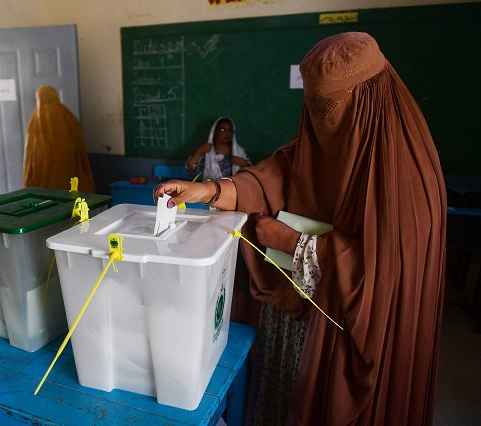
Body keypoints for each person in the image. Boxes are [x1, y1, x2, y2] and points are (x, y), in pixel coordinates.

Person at [155, 32, 446, 425]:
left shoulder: (408, 176)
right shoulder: (321, 140)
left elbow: (389, 279)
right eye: (312, 106)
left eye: (330, 107)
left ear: (367, 100)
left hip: (348, 337)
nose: (321, 120)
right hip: (298, 320)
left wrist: (294, 243)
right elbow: (275, 175)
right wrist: (208, 189)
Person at [23, 85, 96, 192]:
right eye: (42, 102)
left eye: (49, 101)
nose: (46, 107)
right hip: (49, 174)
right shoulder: (68, 119)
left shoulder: (35, 123)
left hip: (63, 171)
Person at [185, 116, 252, 181]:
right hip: (211, 190)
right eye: (223, 130)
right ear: (215, 132)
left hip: (234, 191)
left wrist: (244, 163)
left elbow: (253, 176)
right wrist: (198, 152)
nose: (227, 133)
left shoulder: (239, 152)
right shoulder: (207, 152)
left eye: (229, 130)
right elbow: (190, 171)